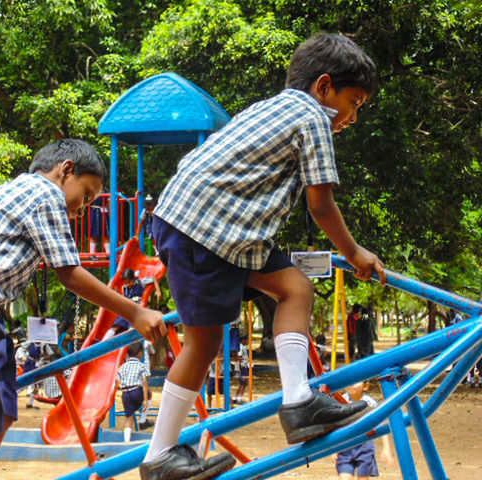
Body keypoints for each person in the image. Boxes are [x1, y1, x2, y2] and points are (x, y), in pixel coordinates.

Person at [140, 32, 386, 480]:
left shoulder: (273, 107)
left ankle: (298, 402)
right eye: (356, 101)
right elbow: (320, 204)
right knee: (205, 342)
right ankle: (158, 457)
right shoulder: (312, 115)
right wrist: (354, 253)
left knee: (295, 286)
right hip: (202, 230)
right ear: (325, 86)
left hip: (223, 231)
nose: (354, 116)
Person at [0, 139, 166, 480]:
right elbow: (70, 274)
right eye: (86, 196)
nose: (82, 209)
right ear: (66, 170)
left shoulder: (21, 192)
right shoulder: (44, 193)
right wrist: (134, 312)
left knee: (0, 414)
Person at [334, 382, 394, 479]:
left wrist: (386, 448)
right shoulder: (340, 401)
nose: (352, 384)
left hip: (365, 447)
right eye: (349, 380)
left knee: (363, 478)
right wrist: (334, 449)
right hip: (345, 446)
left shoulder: (370, 403)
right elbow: (335, 426)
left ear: (365, 386)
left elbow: (381, 424)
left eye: (356, 380)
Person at [103, 269, 161, 341]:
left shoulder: (140, 283)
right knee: (116, 325)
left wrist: (158, 292)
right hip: (127, 309)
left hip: (136, 309)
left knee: (131, 326)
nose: (128, 284)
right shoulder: (125, 288)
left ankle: (131, 335)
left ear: (134, 279)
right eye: (126, 282)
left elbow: (153, 279)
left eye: (129, 282)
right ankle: (105, 340)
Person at [117, 342, 149, 442]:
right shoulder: (141, 366)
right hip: (137, 392)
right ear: (139, 354)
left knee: (129, 419)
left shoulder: (122, 367)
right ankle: (143, 421)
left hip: (125, 394)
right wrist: (145, 400)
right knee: (150, 394)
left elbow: (117, 383)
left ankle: (126, 442)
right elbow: (144, 382)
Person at [139, 340, 156, 430]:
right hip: (142, 369)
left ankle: (143, 419)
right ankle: (142, 421)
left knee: (145, 390)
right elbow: (153, 353)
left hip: (144, 367)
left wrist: (152, 364)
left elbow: (152, 353)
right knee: (147, 393)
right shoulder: (146, 342)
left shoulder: (146, 342)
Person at [234, 335, 250, 404]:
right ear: (243, 340)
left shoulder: (243, 346)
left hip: (244, 366)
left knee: (242, 383)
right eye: (247, 340)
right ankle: (239, 398)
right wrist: (240, 367)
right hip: (243, 366)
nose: (248, 341)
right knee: (243, 383)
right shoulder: (241, 347)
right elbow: (239, 357)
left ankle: (236, 397)